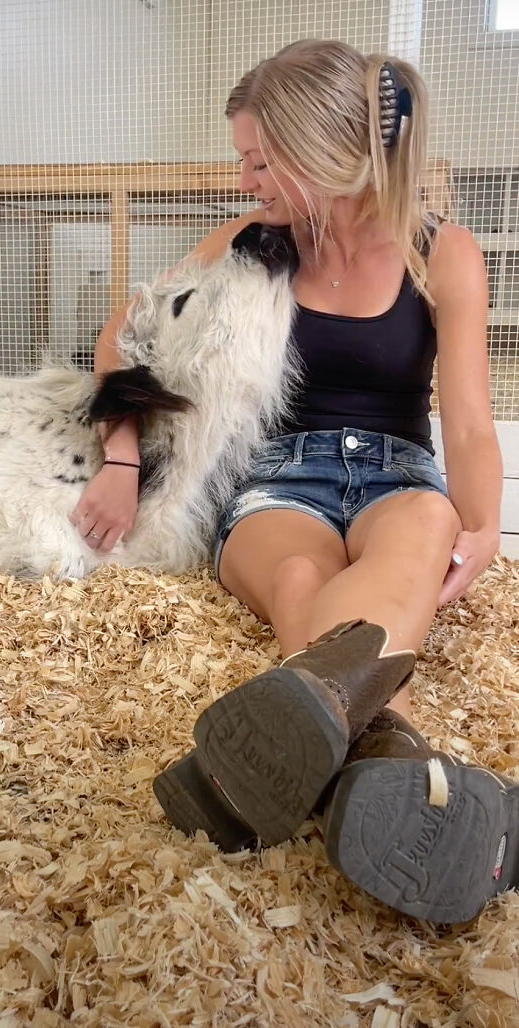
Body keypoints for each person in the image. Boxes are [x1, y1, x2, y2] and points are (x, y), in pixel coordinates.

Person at [71, 40, 513, 925]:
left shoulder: (444, 253)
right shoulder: (251, 244)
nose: (245, 178)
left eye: (262, 159)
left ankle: (293, 759)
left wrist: (482, 524)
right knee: (302, 580)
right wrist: (122, 458)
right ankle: (404, 774)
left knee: (423, 527)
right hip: (278, 481)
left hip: (398, 477)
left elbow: (465, 421)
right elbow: (124, 337)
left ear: (327, 152)